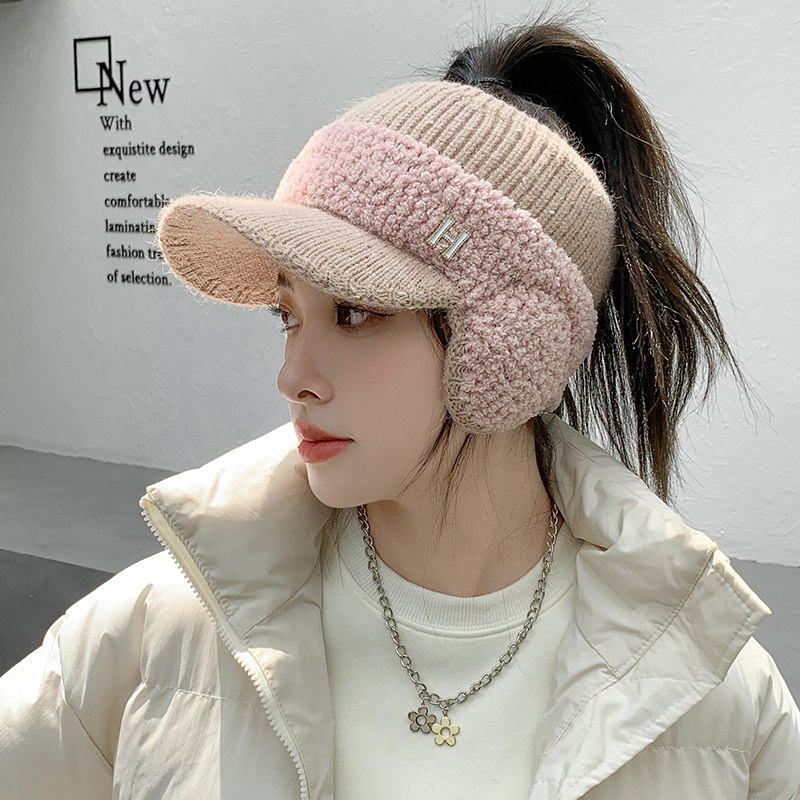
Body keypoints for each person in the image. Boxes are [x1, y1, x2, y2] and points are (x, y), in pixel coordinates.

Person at [1, 15, 798, 800]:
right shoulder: (164, 628)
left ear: (511, 342)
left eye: (354, 311)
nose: (293, 376)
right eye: (288, 314)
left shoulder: (717, 702)